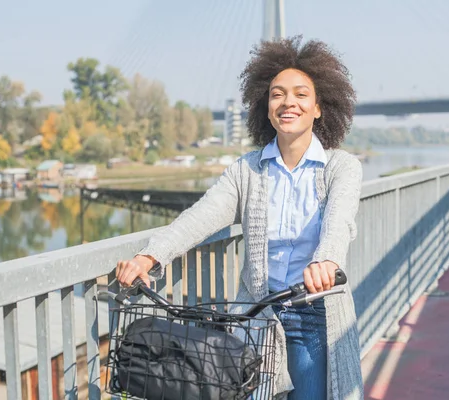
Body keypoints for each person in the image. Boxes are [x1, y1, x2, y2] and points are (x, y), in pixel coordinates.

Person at [116, 35, 364, 400]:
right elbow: (201, 216)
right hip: (257, 316)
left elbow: (339, 221)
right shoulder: (247, 171)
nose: (288, 102)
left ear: (318, 108)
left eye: (300, 94)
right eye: (277, 94)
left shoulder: (341, 167)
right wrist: (150, 255)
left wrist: (326, 261)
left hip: (314, 313)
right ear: (265, 108)